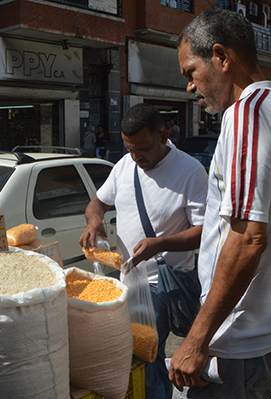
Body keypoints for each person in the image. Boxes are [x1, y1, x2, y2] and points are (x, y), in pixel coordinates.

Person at [171, 9, 271, 397]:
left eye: (191, 72)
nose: (190, 87)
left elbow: (247, 240)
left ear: (221, 57)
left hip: (247, 345)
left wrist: (196, 339)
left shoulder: (247, 118)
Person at [79, 103, 208, 399]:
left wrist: (160, 244)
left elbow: (204, 233)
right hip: (129, 281)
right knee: (143, 359)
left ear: (164, 136)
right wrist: (94, 220)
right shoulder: (125, 166)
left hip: (163, 284)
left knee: (145, 359)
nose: (137, 157)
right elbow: (97, 203)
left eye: (143, 148)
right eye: (130, 148)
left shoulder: (190, 171)